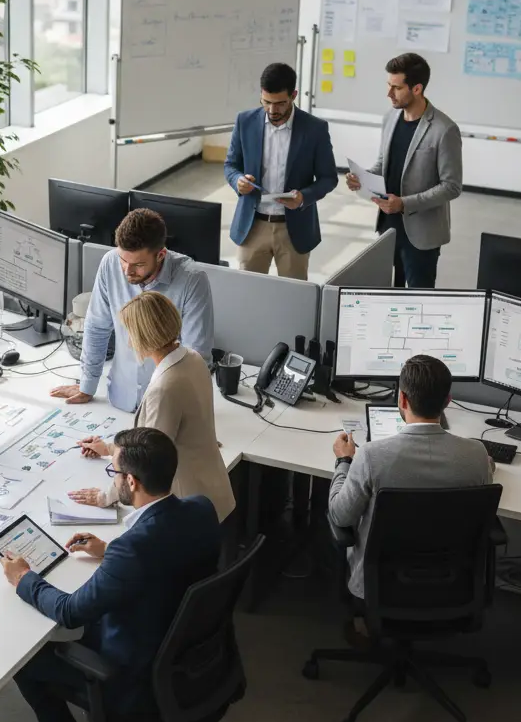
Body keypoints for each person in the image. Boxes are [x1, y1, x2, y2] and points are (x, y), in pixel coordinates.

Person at [1, 428, 220, 722]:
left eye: (114, 472)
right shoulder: (200, 508)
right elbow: (168, 555)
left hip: (133, 671)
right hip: (190, 656)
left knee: (26, 661)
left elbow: (70, 612)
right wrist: (106, 553)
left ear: (131, 482)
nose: (113, 478)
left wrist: (24, 578)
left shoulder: (131, 549)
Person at [328, 355, 493, 622]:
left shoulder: (370, 456)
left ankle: (365, 625)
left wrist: (344, 461)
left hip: (378, 584)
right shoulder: (477, 455)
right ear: (447, 402)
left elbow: (340, 515)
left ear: (402, 400)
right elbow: (486, 471)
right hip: (450, 583)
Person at [67, 291, 235, 523]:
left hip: (187, 509)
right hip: (213, 492)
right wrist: (108, 448)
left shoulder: (165, 387)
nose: (128, 341)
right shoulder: (193, 358)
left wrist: (107, 497)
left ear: (144, 335)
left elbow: (148, 461)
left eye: (130, 333)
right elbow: (157, 434)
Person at [50, 208, 214, 412]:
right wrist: (87, 385)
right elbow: (97, 327)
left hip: (168, 405)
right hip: (119, 398)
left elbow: (196, 356)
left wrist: (193, 419)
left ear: (161, 255)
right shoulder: (110, 262)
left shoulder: (192, 280)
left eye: (138, 264)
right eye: (123, 260)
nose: (127, 271)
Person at [345, 53, 462, 288]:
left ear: (417, 88)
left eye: (396, 88)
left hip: (421, 234)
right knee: (387, 296)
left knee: (418, 301)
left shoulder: (444, 129)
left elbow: (451, 186)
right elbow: (384, 163)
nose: (389, 93)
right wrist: (363, 178)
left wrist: (404, 203)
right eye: (389, 85)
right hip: (388, 226)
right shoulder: (390, 117)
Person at [224, 62, 337, 280]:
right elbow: (230, 165)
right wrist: (237, 180)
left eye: (280, 104)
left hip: (294, 229)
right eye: (266, 102)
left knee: (294, 300)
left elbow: (328, 178)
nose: (272, 110)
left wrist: (304, 197)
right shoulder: (244, 121)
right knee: (249, 295)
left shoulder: (315, 129)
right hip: (252, 225)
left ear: (293, 95)